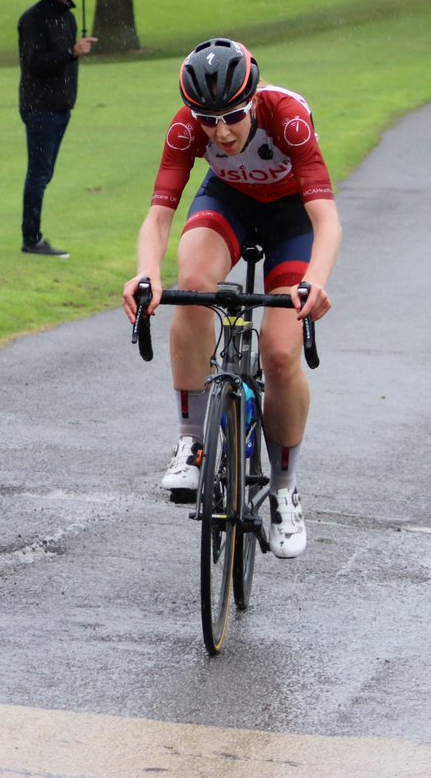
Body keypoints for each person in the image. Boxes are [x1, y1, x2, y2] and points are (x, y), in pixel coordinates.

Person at [121, 38, 341, 558]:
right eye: (207, 118)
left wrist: (316, 281)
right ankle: (192, 441)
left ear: (254, 96)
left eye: (233, 116)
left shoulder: (286, 118)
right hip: (229, 203)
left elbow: (326, 219)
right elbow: (158, 216)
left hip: (291, 221)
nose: (220, 131)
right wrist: (146, 274)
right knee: (191, 287)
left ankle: (284, 490)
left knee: (281, 352)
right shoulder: (185, 127)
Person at [17, 0, 97, 258]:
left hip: (61, 106)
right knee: (38, 173)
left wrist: (71, 53)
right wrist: (70, 52)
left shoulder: (67, 16)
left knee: (45, 173)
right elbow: (34, 63)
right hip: (40, 107)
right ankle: (31, 238)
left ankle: (32, 235)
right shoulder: (34, 18)